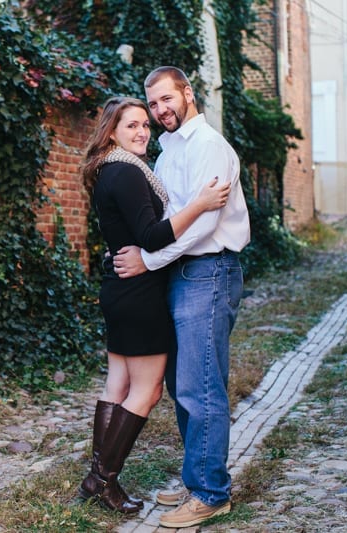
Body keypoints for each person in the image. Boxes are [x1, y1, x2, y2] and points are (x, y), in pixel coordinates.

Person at [112, 66, 251, 528]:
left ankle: (211, 492)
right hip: (182, 274)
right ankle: (198, 482)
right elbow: (171, 218)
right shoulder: (169, 149)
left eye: (167, 99)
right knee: (182, 386)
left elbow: (205, 224)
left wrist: (148, 261)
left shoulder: (208, 146)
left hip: (208, 271)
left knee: (200, 386)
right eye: (153, 104)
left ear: (188, 94)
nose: (160, 110)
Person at [78, 96, 230, 514]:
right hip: (140, 292)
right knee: (144, 391)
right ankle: (102, 479)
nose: (143, 132)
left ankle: (98, 477)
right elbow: (151, 236)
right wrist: (200, 204)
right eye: (132, 126)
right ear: (112, 132)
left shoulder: (111, 169)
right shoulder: (126, 172)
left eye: (145, 124)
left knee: (118, 385)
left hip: (120, 287)